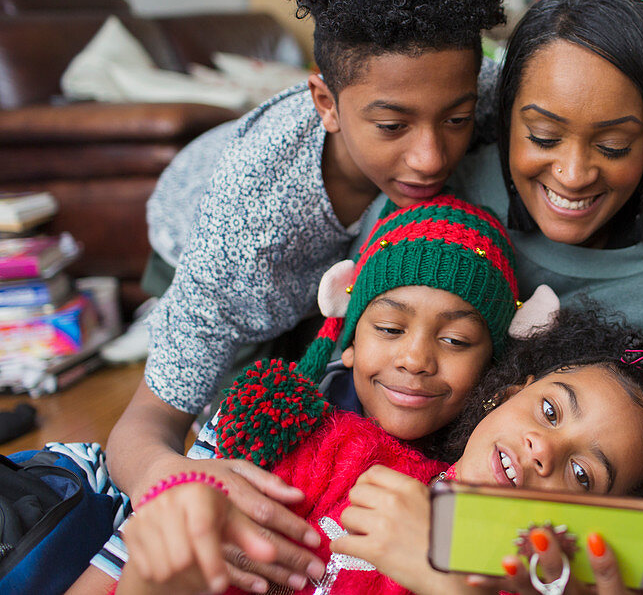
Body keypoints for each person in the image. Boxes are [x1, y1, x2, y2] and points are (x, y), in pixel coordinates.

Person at [93, 0, 508, 592]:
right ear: (324, 101)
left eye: (457, 118)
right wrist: (177, 480)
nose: (432, 155)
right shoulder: (243, 229)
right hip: (194, 225)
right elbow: (140, 428)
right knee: (246, 422)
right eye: (392, 124)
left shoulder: (454, 77)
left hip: (345, 263)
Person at [113, 306, 643, 595]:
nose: (542, 448)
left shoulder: (529, 579)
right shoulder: (343, 450)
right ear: (504, 395)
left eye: (584, 473)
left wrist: (437, 570)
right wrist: (162, 542)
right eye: (550, 410)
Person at [75, 194, 519, 593]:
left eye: (456, 340)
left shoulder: (485, 479)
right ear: (348, 342)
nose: (415, 359)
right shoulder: (265, 421)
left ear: (492, 369)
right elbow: (121, 559)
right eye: (388, 328)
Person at [429, 0, 643, 345]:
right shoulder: (447, 196)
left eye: (613, 146)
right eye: (544, 137)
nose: (574, 175)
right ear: (505, 119)